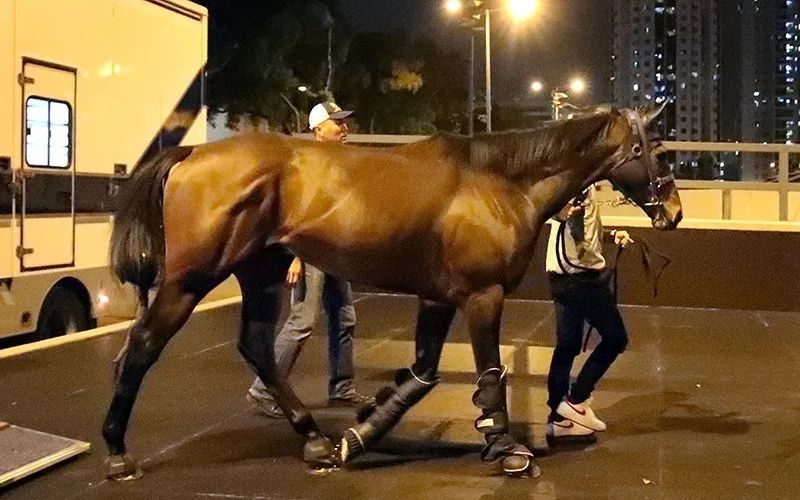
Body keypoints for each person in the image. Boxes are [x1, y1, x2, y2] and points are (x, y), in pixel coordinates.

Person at [247, 101, 373, 418]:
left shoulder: (338, 163)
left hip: (332, 252)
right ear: (318, 129)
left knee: (345, 318)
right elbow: (294, 215)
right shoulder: (307, 164)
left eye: (345, 123)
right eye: (337, 123)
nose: (344, 128)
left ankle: (341, 389)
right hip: (310, 251)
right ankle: (262, 389)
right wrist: (297, 256)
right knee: (302, 322)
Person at [544, 185, 633, 443]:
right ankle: (577, 399)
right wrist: (561, 212)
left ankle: (559, 418)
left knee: (567, 345)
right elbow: (558, 211)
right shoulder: (578, 183)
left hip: (561, 278)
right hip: (580, 278)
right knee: (616, 338)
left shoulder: (584, 183)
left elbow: (583, 230)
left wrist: (611, 235)